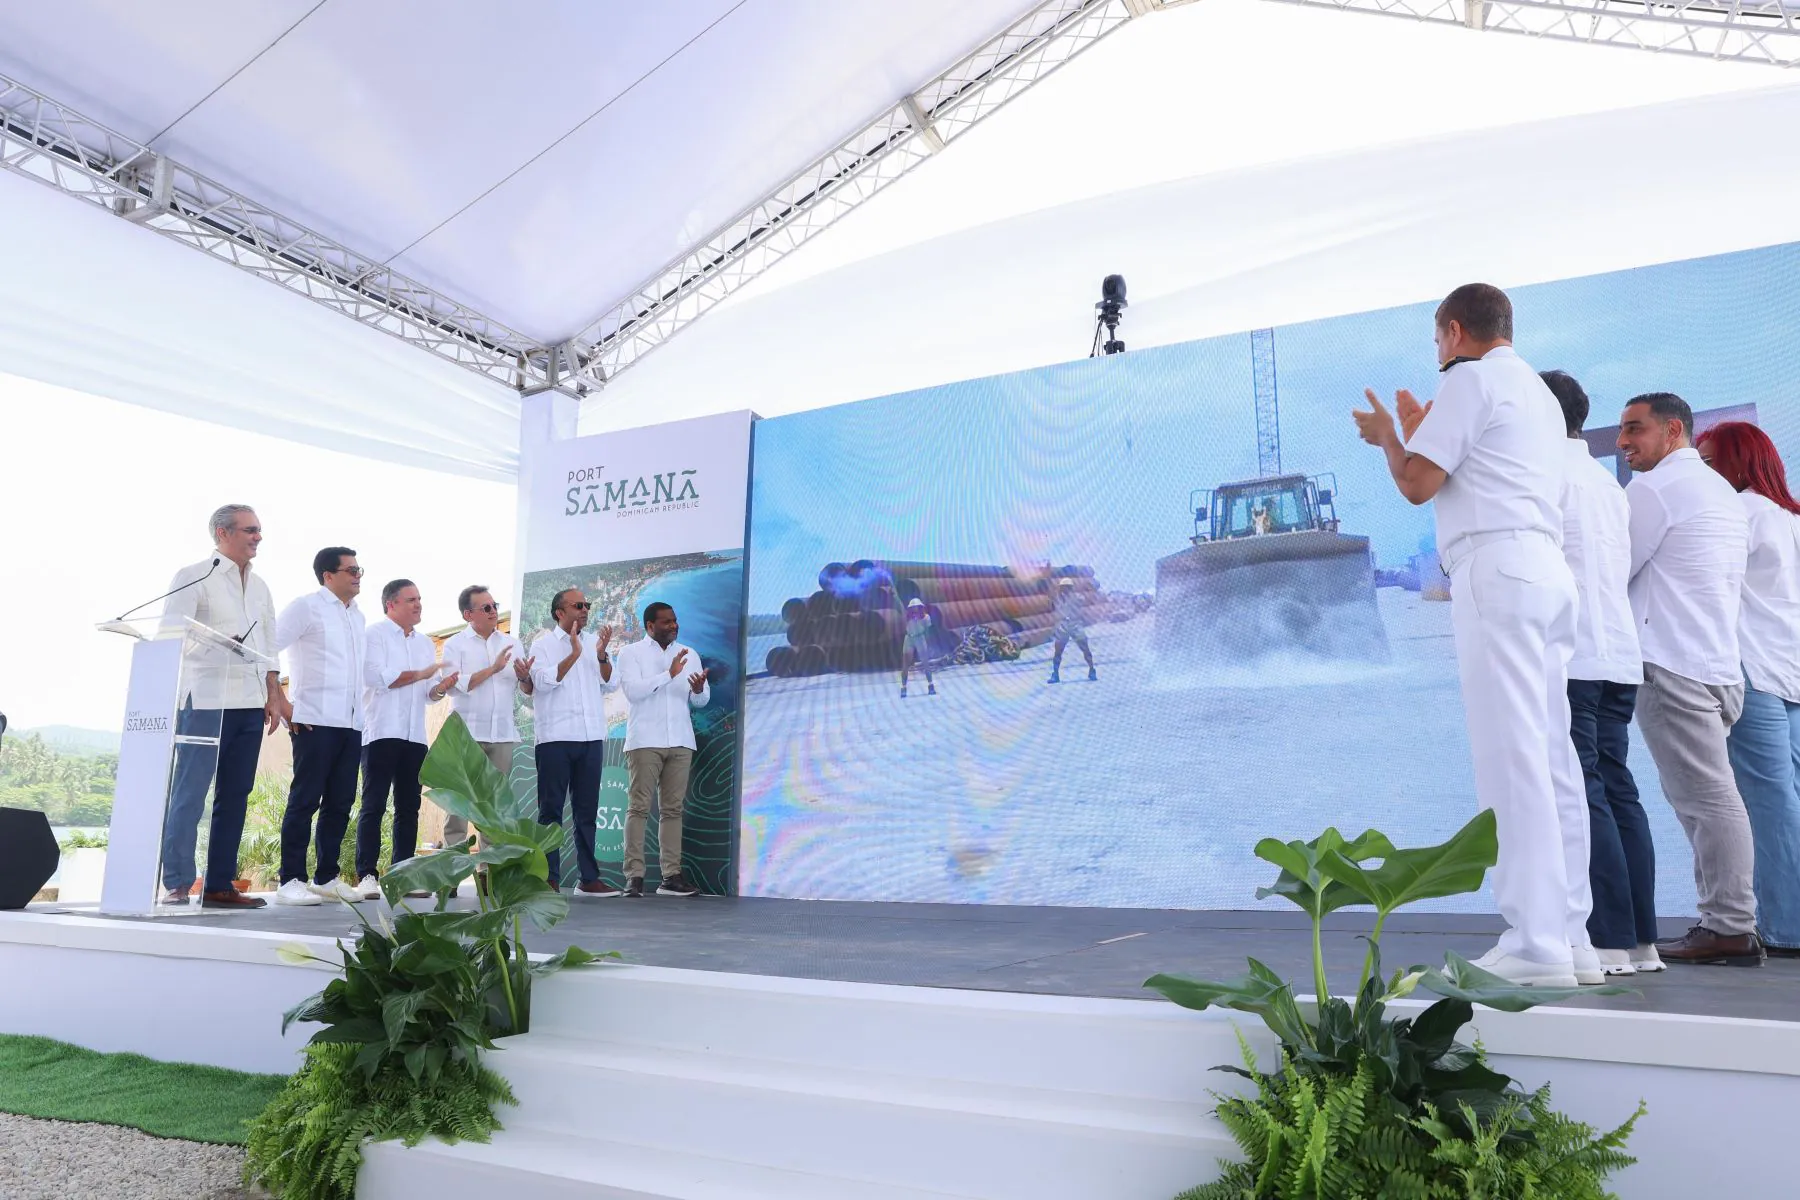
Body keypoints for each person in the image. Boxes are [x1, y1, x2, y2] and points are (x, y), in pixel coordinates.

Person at [1352, 283, 1594, 988]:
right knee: (1553, 760)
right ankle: (1572, 936)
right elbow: (1482, 466)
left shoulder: (1470, 379)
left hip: (1497, 570)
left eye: (1437, 340)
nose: (1437, 354)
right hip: (1546, 569)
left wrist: (1390, 438)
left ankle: (1535, 945)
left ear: (1454, 331)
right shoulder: (1537, 394)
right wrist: (1424, 428)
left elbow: (1417, 483)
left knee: (1510, 758)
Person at [1618, 393, 1759, 966]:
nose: (1623, 441)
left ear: (1672, 430)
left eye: (1635, 429)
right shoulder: (1720, 491)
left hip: (1672, 664)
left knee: (1707, 802)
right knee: (1708, 800)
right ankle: (1723, 922)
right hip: (1717, 664)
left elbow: (1613, 568)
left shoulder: (1654, 489)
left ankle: (1730, 926)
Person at [1542, 372, 1658, 976]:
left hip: (1576, 656)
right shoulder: (1606, 481)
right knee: (1618, 789)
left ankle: (1607, 939)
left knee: (1583, 791)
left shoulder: (1543, 476)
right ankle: (1642, 942)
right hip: (1618, 656)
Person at [1696, 421, 1800, 959]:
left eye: (1710, 463)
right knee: (1788, 798)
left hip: (1754, 671)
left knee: (1767, 802)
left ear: (1739, 463)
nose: (1702, 474)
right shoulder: (1790, 517)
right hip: (1791, 670)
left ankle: (1786, 927)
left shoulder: (1738, 514)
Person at [157, 504, 283, 909]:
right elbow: (169, 636)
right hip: (206, 700)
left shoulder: (261, 587)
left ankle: (219, 884)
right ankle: (177, 883)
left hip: (249, 702)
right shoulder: (194, 576)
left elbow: (269, 645)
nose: (258, 537)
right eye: (250, 530)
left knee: (235, 796)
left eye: (259, 530)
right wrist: (217, 643)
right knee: (190, 793)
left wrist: (273, 693)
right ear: (222, 533)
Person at [273, 547, 369, 905]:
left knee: (340, 802)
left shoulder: (357, 615)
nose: (358, 576)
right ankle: (290, 879)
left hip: (352, 722)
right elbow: (267, 647)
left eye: (359, 570)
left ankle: (326, 877)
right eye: (351, 570)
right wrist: (282, 702)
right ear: (328, 575)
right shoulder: (306, 607)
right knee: (305, 800)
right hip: (313, 720)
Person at [353, 579, 453, 898]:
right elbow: (375, 677)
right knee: (373, 805)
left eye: (419, 598)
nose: (418, 604)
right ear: (391, 604)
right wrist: (421, 675)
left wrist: (441, 687)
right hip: (381, 731)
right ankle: (366, 875)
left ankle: (403, 876)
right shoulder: (374, 634)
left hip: (414, 736)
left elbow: (427, 694)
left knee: (409, 808)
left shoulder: (425, 643)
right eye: (411, 599)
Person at [616, 602, 710, 898]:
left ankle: (671, 877)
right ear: (650, 626)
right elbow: (633, 693)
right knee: (638, 808)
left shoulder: (690, 654)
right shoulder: (630, 653)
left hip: (680, 739)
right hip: (645, 740)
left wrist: (699, 690)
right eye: (667, 622)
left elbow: (701, 701)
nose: (674, 625)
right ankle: (634, 876)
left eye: (675, 620)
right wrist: (668, 674)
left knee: (673, 810)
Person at [529, 588, 619, 897]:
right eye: (578, 605)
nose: (585, 610)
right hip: (554, 738)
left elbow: (611, 683)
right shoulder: (542, 645)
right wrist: (573, 654)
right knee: (550, 812)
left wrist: (601, 654)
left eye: (587, 605)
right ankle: (549, 879)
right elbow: (542, 683)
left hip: (591, 737)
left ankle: (588, 878)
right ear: (559, 612)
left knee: (587, 812)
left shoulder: (594, 642)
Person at [440, 586, 534, 845]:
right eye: (486, 607)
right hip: (466, 735)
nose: (494, 611)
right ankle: (453, 866)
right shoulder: (454, 645)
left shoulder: (512, 644)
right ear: (468, 615)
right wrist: (493, 669)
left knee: (495, 808)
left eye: (495, 606)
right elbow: (455, 686)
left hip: (502, 735)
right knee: (459, 806)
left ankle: (488, 867)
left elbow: (526, 691)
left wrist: (524, 677)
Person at [1048, 578, 1097, 685]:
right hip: (1063, 625)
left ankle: (1092, 669)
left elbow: (1085, 599)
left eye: (1066, 587)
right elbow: (1052, 605)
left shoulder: (1077, 597)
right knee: (1058, 651)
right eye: (1062, 587)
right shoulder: (1057, 598)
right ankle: (1055, 674)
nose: (1063, 589)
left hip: (1075, 624)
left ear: (1070, 588)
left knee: (1085, 648)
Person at [900, 598, 936, 698]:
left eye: (916, 607)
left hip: (920, 638)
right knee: (905, 664)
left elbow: (928, 632)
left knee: (925, 663)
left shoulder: (926, 617)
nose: (914, 608)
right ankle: (903, 687)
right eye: (913, 607)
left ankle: (931, 685)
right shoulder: (907, 617)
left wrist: (928, 644)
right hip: (909, 638)